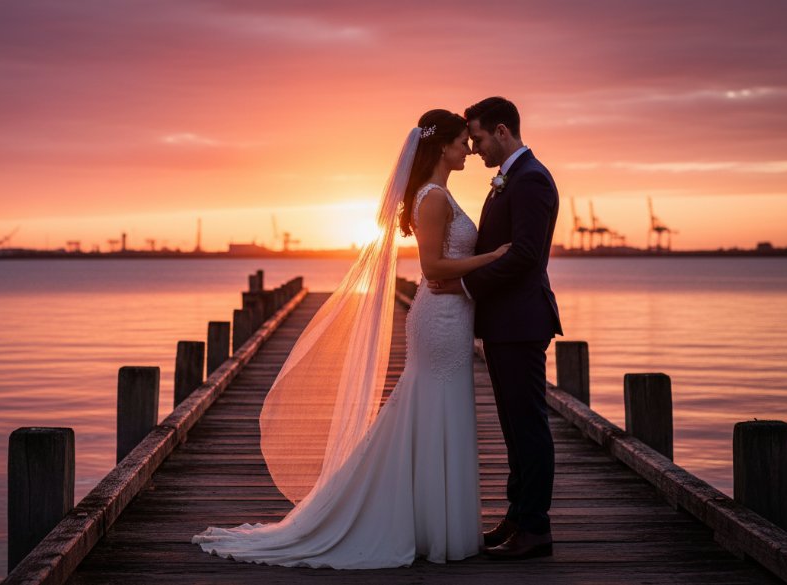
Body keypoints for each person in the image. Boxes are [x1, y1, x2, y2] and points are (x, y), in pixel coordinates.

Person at [191, 109, 509, 568]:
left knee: (438, 412)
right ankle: (429, 527)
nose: (468, 149)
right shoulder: (434, 198)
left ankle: (434, 525)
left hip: (450, 316)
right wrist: (492, 258)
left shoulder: (439, 195)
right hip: (439, 319)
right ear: (442, 146)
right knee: (434, 409)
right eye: (463, 141)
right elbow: (434, 270)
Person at [429, 96, 562, 560]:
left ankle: (536, 529)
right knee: (513, 424)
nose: (476, 147)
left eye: (480, 138)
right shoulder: (511, 179)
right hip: (506, 321)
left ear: (502, 131)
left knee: (528, 425)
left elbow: (525, 255)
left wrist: (464, 284)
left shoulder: (531, 181)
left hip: (522, 321)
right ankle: (517, 515)